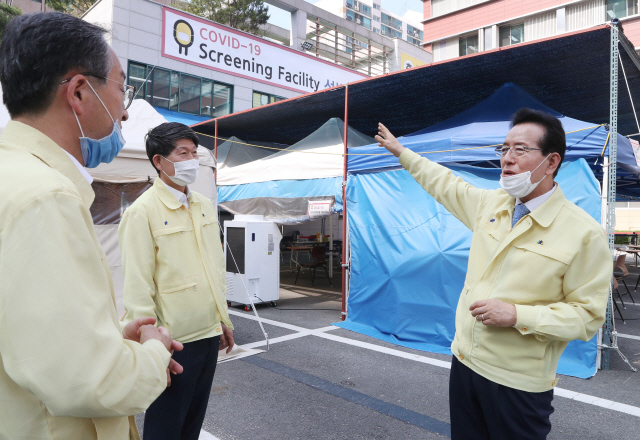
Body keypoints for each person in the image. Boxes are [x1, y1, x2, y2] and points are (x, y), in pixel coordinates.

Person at [375, 108, 612, 440]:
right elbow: (445, 184)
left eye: (520, 149)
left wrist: (517, 314)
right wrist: (403, 152)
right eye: (504, 149)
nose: (507, 158)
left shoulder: (584, 234)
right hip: (465, 363)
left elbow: (587, 317)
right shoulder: (493, 206)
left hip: (518, 383)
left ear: (552, 161)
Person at [0, 12, 183, 440]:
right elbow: (89, 380)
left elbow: (31, 337)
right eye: (122, 87)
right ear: (80, 91)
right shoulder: (48, 197)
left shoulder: (13, 176)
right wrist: (154, 351)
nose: (123, 111)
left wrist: (113, 337)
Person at [119, 122, 235, 440]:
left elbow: (213, 267)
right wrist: (153, 346)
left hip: (209, 335)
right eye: (182, 153)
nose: (191, 160)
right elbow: (138, 286)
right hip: (174, 343)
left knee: (192, 424)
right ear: (159, 161)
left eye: (194, 153)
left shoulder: (201, 205)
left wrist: (222, 320)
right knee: (165, 427)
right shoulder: (142, 212)